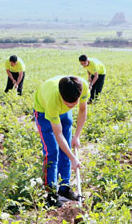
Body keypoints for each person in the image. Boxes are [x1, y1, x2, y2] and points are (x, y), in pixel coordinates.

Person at [33, 76, 89, 207]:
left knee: (67, 146)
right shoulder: (53, 99)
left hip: (63, 112)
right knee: (52, 152)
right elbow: (58, 135)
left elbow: (82, 110)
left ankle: (64, 188)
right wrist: (73, 158)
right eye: (68, 103)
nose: (71, 105)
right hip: (43, 112)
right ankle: (51, 194)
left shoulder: (83, 86)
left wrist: (77, 136)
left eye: (73, 103)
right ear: (61, 96)